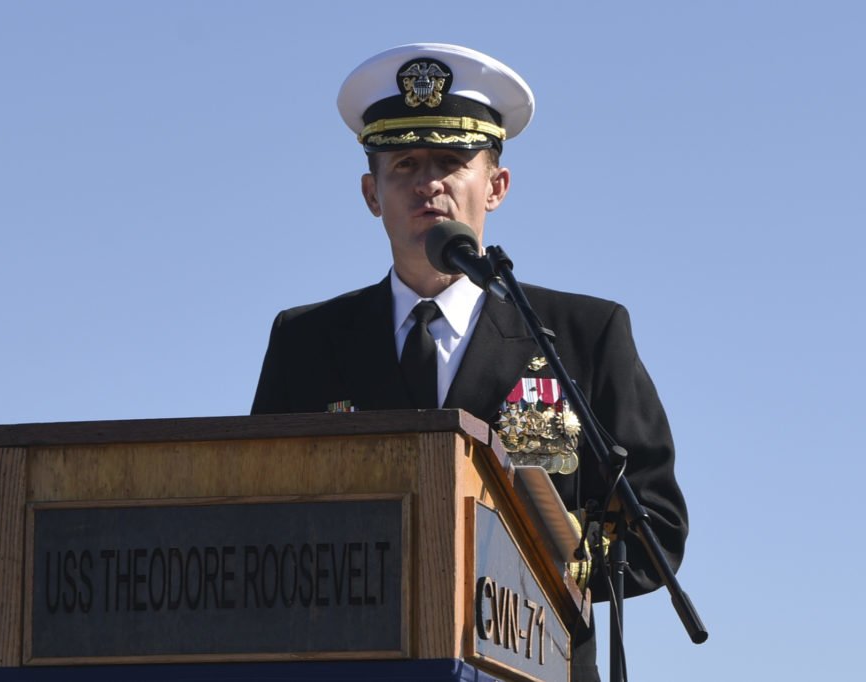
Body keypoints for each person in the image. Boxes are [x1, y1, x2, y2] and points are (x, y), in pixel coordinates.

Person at [251, 43, 687, 682]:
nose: (428, 183)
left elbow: (657, 529)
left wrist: (558, 560)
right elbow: (260, 517)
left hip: (531, 666)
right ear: (372, 193)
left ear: (497, 185)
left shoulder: (584, 336)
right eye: (403, 164)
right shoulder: (306, 342)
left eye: (453, 162)